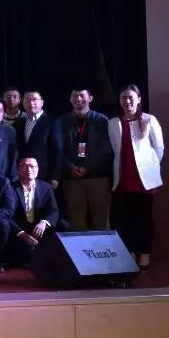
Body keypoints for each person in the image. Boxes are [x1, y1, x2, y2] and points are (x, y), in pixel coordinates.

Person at [109, 83, 164, 267]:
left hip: (144, 180)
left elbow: (159, 148)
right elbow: (114, 150)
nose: (127, 101)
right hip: (123, 179)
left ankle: (145, 252)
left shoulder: (149, 120)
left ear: (139, 99)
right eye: (124, 98)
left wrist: (150, 166)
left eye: (131, 97)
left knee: (144, 219)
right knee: (125, 219)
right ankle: (130, 252)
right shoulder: (113, 122)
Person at [52, 88, 112, 231]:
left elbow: (106, 148)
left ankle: (102, 247)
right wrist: (70, 167)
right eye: (75, 96)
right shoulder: (61, 121)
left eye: (81, 95)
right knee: (76, 222)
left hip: (97, 178)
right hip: (71, 179)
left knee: (101, 221)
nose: (78, 99)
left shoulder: (101, 120)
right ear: (70, 99)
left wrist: (87, 168)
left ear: (90, 98)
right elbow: (57, 149)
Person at [10, 156, 62, 265]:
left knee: (63, 225)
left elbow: (53, 210)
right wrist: (21, 233)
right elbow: (8, 215)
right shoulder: (11, 189)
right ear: (18, 169)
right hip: (20, 231)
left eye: (32, 166)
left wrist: (44, 222)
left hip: (40, 229)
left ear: (37, 169)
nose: (29, 170)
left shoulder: (46, 187)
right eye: (24, 166)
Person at [14, 90, 56, 183]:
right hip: (22, 175)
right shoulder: (19, 123)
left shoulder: (52, 122)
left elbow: (57, 152)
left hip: (45, 175)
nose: (31, 103)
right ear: (23, 103)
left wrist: (54, 176)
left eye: (35, 99)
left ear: (42, 102)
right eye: (28, 100)